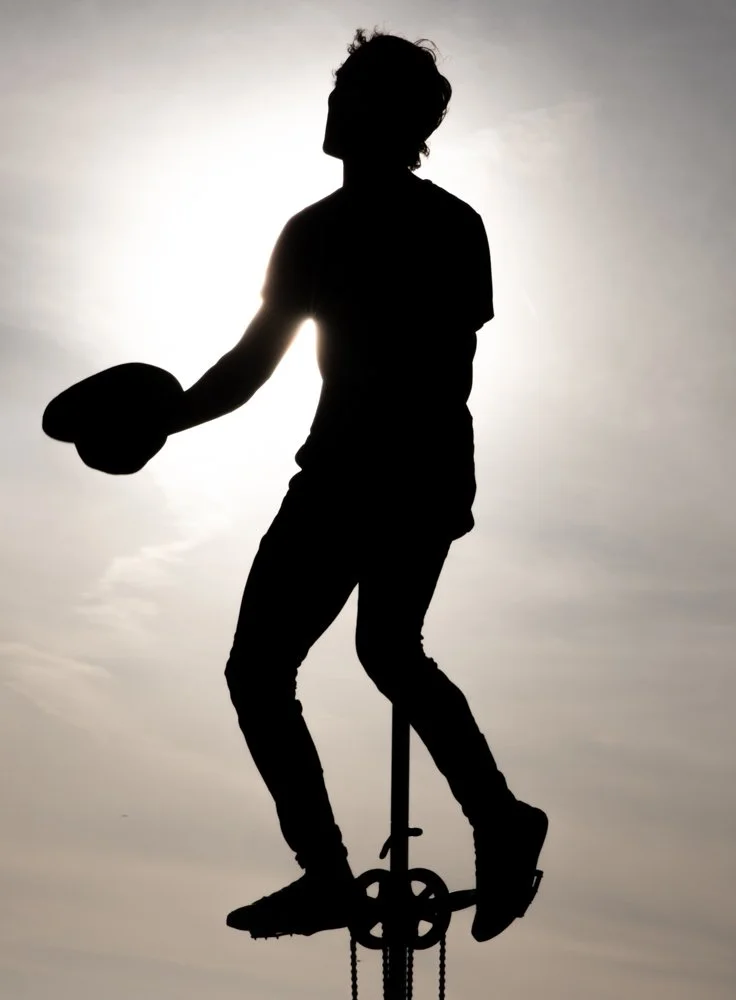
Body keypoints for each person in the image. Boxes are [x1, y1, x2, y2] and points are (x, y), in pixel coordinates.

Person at [167, 29, 546, 943]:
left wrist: (168, 419)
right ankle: (454, 834)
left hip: (390, 468)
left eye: (356, 94)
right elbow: (252, 365)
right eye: (338, 90)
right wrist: (166, 419)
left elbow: (438, 360)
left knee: (340, 656)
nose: (336, 106)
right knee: (344, 657)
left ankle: (444, 838)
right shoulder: (313, 231)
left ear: (400, 119)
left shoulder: (443, 225)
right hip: (365, 468)